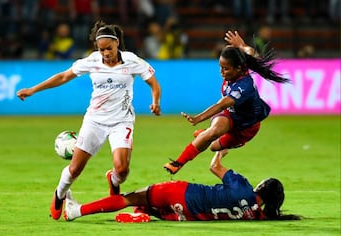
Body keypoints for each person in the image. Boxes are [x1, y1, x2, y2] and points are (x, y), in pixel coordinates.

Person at [16, 20, 161, 220]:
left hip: (122, 121)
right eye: (101, 50)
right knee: (75, 168)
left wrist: (155, 101)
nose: (105, 54)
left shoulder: (132, 61)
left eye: (108, 49)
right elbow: (62, 76)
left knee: (122, 169)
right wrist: (33, 90)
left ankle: (113, 179)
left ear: (117, 43)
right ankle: (59, 195)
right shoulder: (92, 61)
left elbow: (153, 83)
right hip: (95, 121)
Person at [163, 30, 289, 175]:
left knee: (213, 147)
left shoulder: (243, 86)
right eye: (220, 67)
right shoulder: (241, 66)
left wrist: (199, 118)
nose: (222, 72)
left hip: (246, 127)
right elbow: (251, 52)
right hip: (230, 115)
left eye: (226, 68)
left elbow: (221, 104)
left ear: (238, 68)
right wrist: (242, 45)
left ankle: (210, 137)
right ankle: (178, 163)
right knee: (214, 132)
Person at [63, 149, 301, 222]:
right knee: (143, 205)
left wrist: (220, 148)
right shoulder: (257, 216)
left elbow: (214, 166)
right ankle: (138, 215)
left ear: (261, 187)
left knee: (129, 197)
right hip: (187, 214)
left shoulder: (243, 187)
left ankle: (77, 211)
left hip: (183, 193)